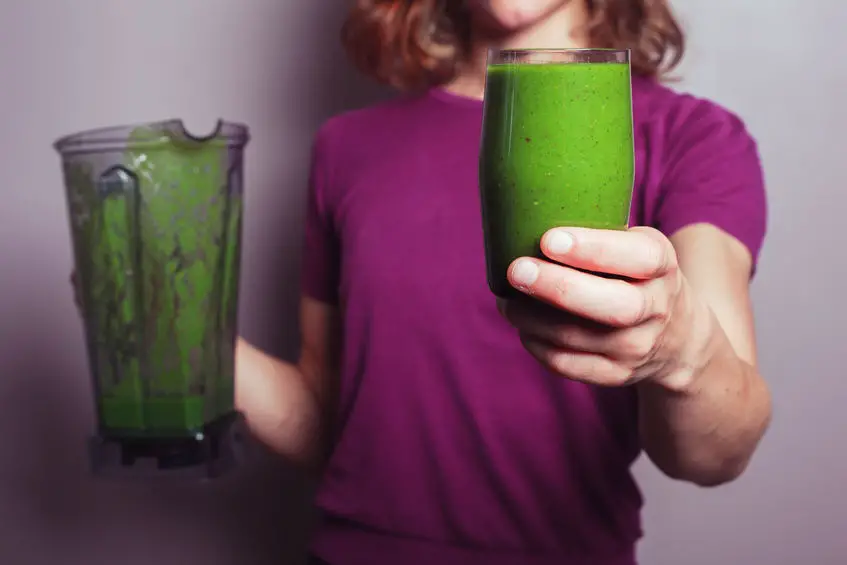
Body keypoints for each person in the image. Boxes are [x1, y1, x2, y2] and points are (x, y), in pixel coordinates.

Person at [73, 1, 771, 563]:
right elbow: (329, 422)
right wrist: (181, 325)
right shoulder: (347, 148)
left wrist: (678, 350)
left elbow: (717, 448)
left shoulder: (692, 139)